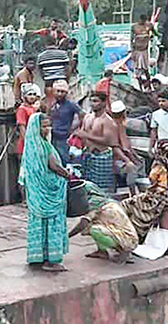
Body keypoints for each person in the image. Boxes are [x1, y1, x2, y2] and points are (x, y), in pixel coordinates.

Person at [19, 112, 70, 273]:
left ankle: (37, 257)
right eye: (44, 126)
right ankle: (52, 261)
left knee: (38, 224)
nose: (47, 129)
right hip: (49, 192)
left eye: (48, 125)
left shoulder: (30, 145)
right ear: (36, 127)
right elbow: (54, 166)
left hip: (36, 194)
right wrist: (67, 175)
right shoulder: (43, 146)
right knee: (52, 224)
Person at [76, 92, 121, 195]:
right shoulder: (88, 117)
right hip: (88, 156)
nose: (92, 104)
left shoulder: (107, 121)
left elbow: (108, 141)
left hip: (102, 157)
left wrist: (87, 136)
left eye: (96, 101)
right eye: (91, 101)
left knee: (102, 191)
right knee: (87, 187)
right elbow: (82, 133)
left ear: (104, 103)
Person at [48, 79, 82, 165]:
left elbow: (83, 115)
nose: (60, 94)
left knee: (64, 161)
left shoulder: (71, 105)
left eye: (62, 91)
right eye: (58, 91)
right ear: (54, 92)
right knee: (54, 161)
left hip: (64, 138)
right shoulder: (53, 105)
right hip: (53, 137)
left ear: (66, 93)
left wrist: (74, 129)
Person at [15, 83, 42, 157]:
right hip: (26, 144)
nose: (32, 97)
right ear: (24, 96)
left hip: (35, 141)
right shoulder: (22, 109)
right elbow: (22, 128)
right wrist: (28, 143)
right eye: (29, 94)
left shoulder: (32, 108)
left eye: (34, 94)